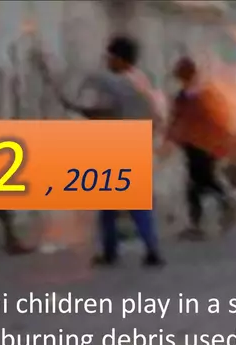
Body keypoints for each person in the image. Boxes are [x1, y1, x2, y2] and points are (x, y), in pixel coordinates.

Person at [66, 36, 165, 268]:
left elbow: (107, 113)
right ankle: (150, 249)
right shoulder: (142, 81)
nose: (107, 61)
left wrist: (83, 112)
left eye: (110, 57)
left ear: (120, 59)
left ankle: (113, 251)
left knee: (111, 205)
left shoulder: (117, 83)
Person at [165, 57, 236, 240]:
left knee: (201, 182)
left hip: (206, 145)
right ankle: (214, 210)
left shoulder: (205, 94)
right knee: (198, 182)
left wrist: (221, 141)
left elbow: (221, 118)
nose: (181, 78)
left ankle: (218, 208)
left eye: (182, 74)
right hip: (191, 145)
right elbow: (176, 119)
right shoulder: (183, 96)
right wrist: (170, 138)